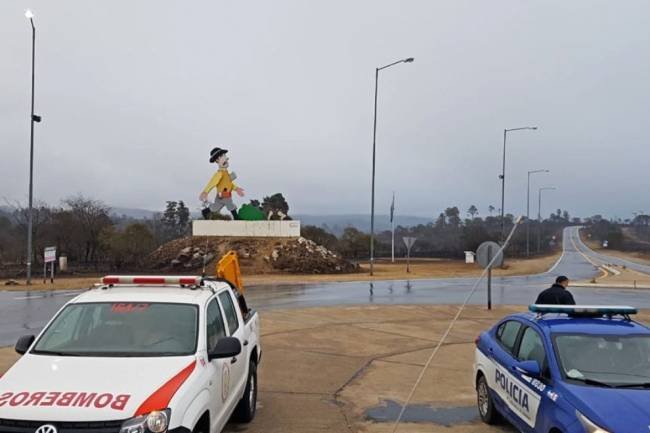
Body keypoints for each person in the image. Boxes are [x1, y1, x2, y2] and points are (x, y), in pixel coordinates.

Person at [199, 147, 245, 220]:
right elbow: (212, 183)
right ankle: (237, 218)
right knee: (230, 205)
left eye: (225, 156)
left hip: (222, 195)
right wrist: (205, 192)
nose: (226, 158)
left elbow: (229, 184)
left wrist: (237, 189)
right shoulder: (219, 173)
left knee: (215, 208)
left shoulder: (226, 173)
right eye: (223, 156)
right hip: (224, 194)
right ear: (217, 160)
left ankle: (205, 211)